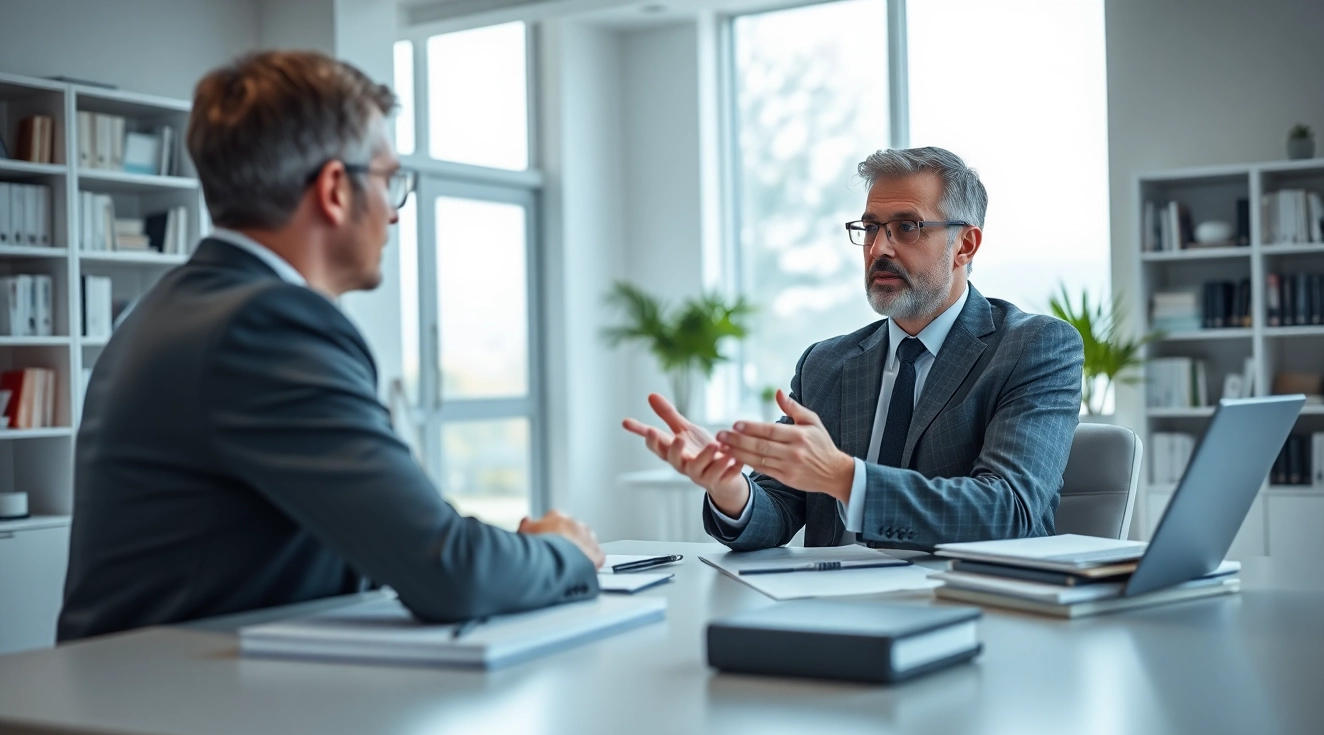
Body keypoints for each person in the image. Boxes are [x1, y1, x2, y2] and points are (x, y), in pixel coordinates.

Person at [58, 51, 603, 641]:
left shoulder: (173, 308)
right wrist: (563, 551)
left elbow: (392, 537)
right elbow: (448, 569)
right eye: (389, 181)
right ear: (337, 189)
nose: (394, 215)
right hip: (179, 693)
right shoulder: (265, 325)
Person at [623, 147, 1084, 551]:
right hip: (828, 604)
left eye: (906, 227)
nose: (879, 248)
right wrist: (731, 489)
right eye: (870, 227)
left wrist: (843, 478)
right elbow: (779, 508)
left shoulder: (1033, 348)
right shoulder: (826, 363)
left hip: (959, 601)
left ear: (965, 244)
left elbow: (1009, 512)